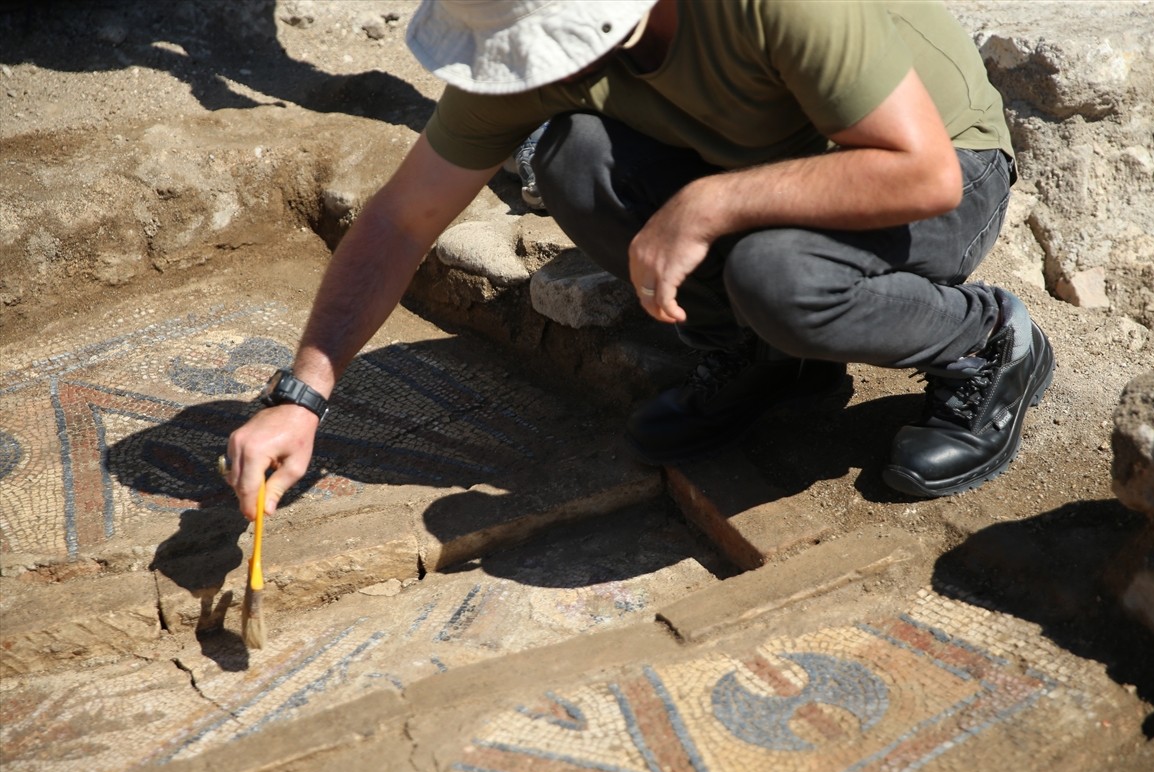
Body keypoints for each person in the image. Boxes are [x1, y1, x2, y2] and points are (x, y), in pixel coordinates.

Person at [224, 0, 1054, 520]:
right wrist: (303, 394)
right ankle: (772, 357)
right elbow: (404, 220)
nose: (533, 68)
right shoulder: (529, 37)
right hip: (771, 165)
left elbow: (925, 172)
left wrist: (710, 204)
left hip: (937, 168)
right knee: (573, 160)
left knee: (781, 277)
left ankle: (986, 342)